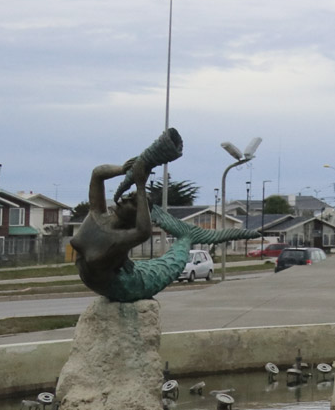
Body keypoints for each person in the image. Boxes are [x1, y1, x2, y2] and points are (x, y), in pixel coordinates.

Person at [69, 129, 261, 302]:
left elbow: (143, 231)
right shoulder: (97, 214)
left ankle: (187, 237)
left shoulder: (121, 238)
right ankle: (187, 235)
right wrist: (123, 169)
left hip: (127, 286)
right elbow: (97, 174)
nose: (123, 200)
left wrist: (141, 186)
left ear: (138, 213)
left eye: (132, 201)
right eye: (128, 197)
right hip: (106, 283)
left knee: (170, 261)